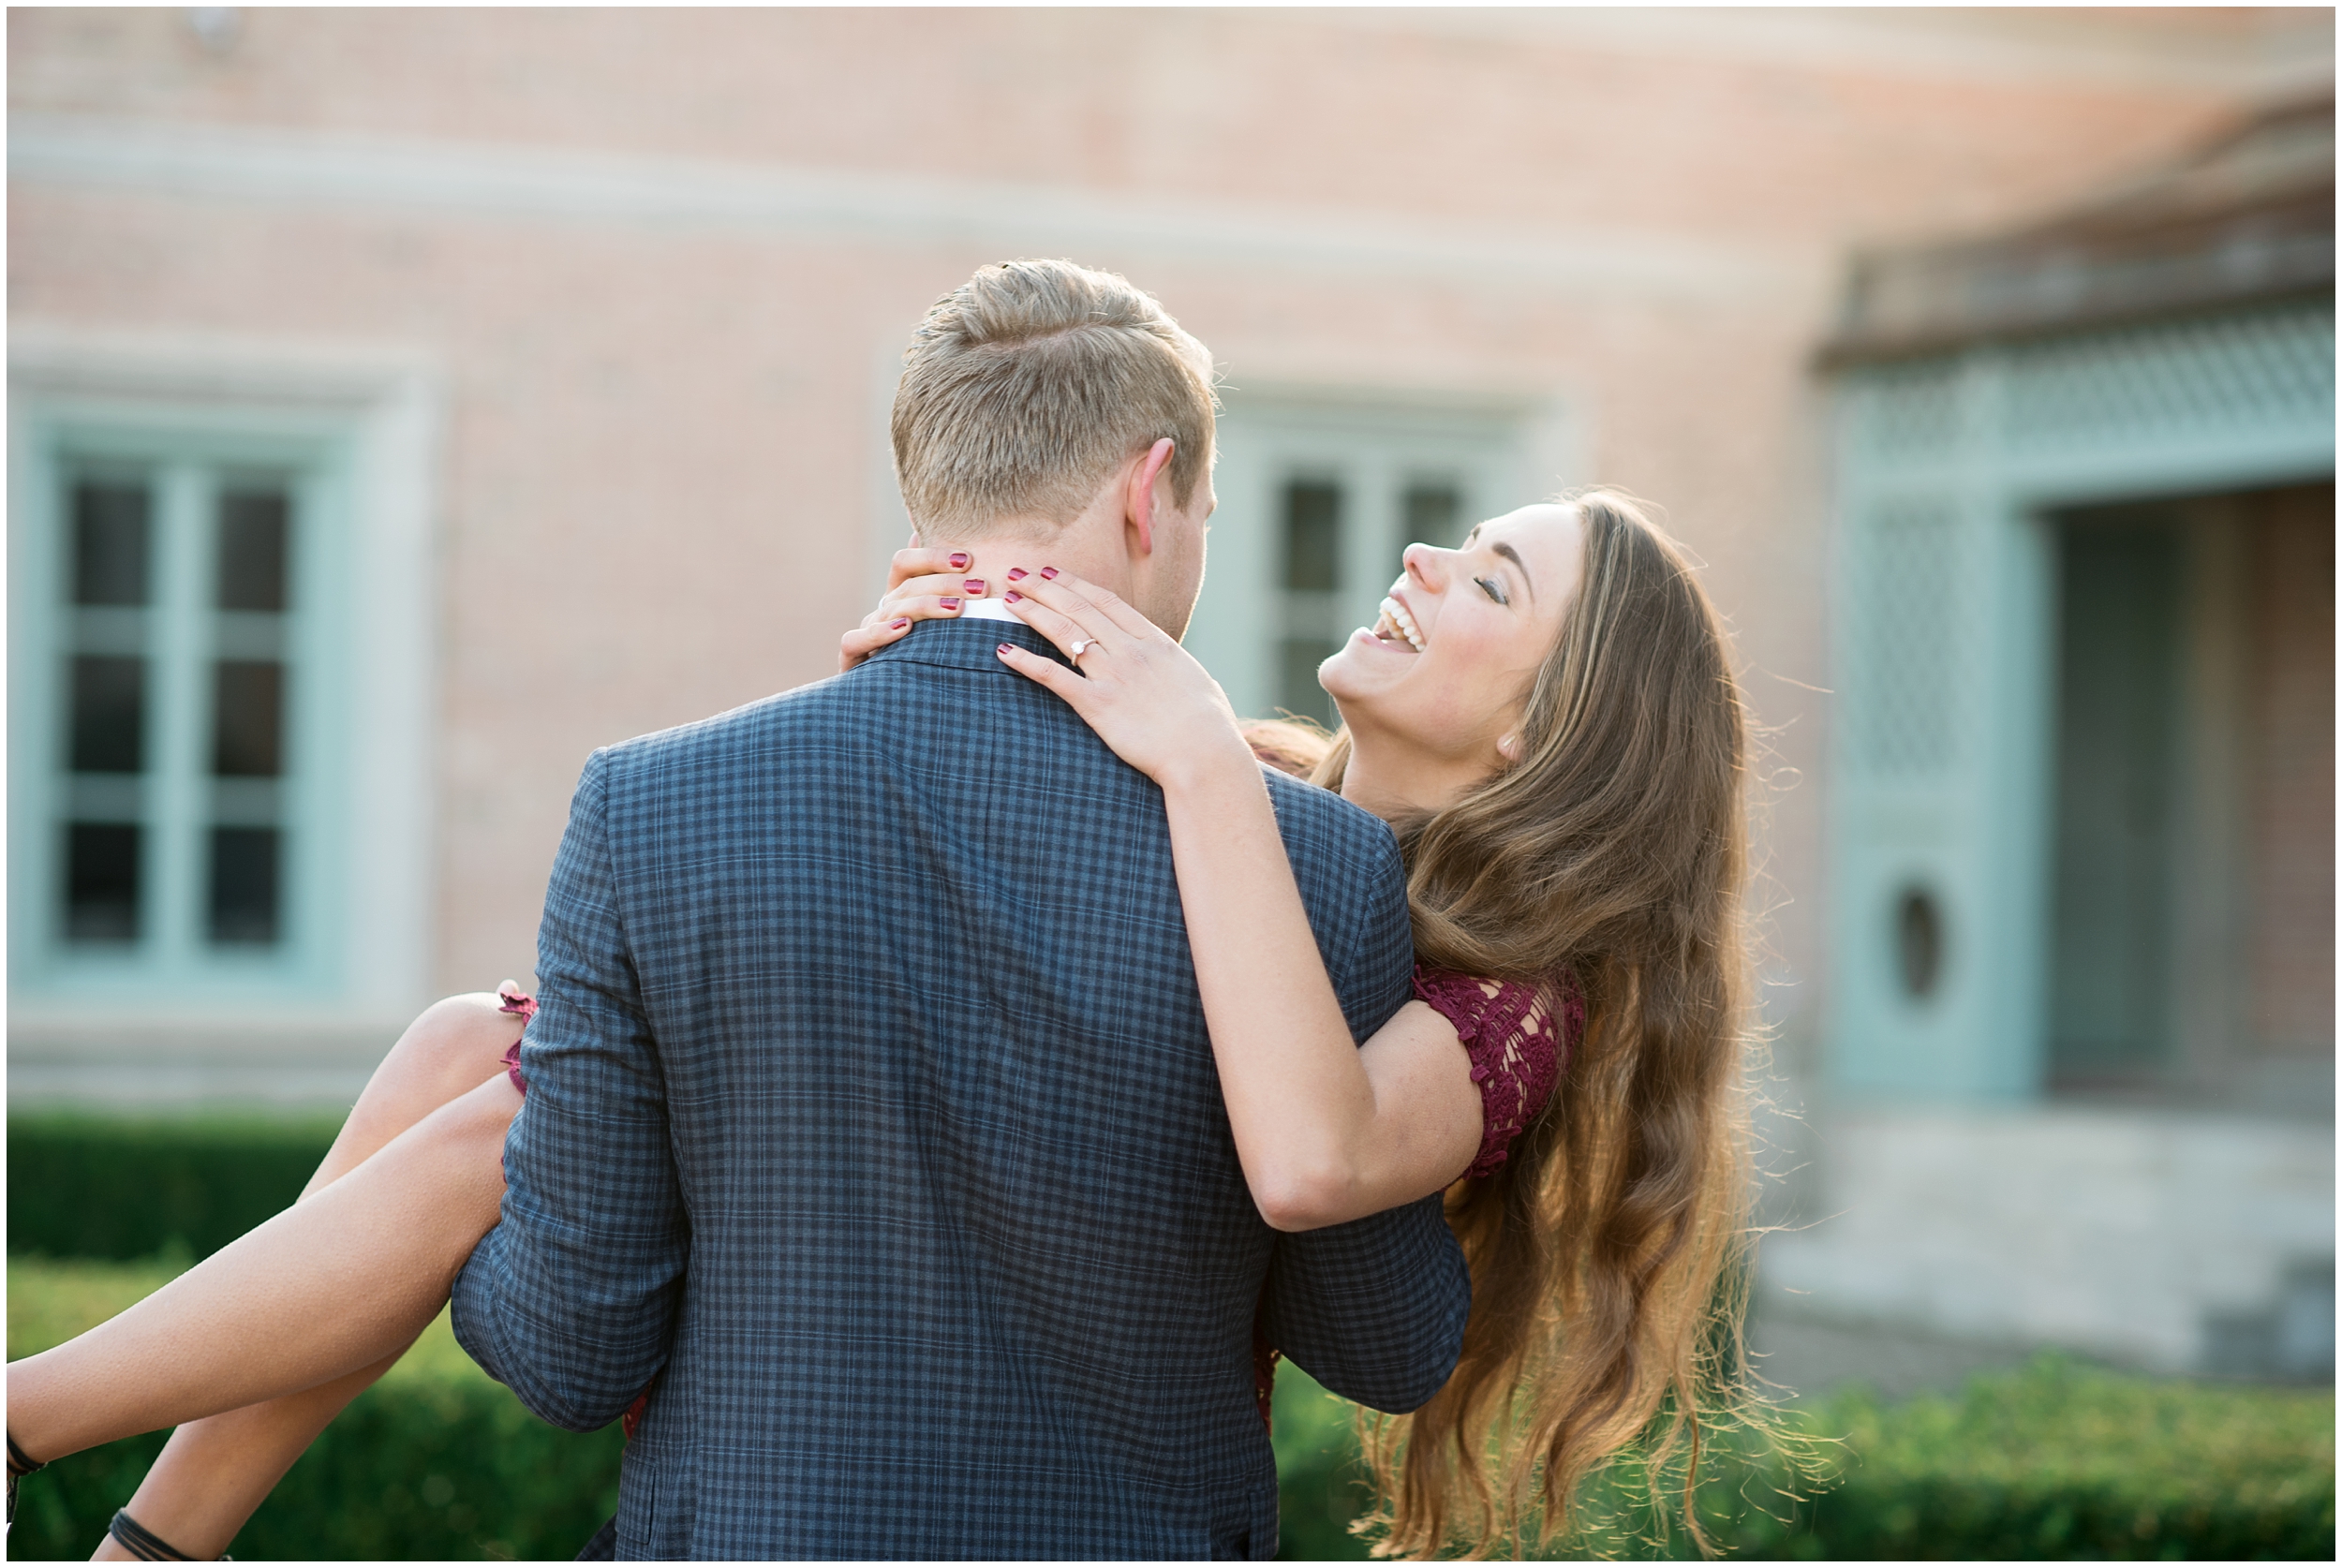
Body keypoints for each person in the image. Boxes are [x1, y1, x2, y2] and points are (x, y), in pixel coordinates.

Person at [6, 259, 1476, 1561]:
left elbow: (570, 1353)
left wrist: (583, 1194)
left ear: (933, 487)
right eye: (1208, 511)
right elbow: (1380, 1342)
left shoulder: (654, 804)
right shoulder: (1322, 867)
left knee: (475, 1070)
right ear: (1152, 491)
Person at [842, 484, 1761, 1558]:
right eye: (1458, 544)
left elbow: (1312, 1163)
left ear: (1538, 727)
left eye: (1487, 581)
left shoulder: (1517, 1006)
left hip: (1130, 1492)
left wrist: (1199, 759)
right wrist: (911, 680)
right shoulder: (1242, 772)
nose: (1420, 553)